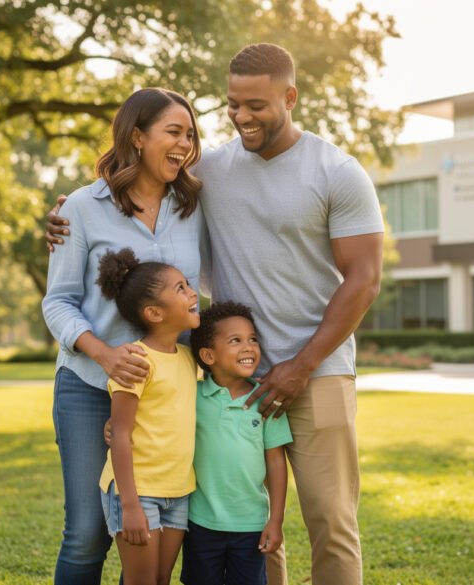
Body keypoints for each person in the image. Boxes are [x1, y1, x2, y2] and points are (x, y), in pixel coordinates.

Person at [47, 43, 383, 585]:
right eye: (233, 105)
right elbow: (131, 189)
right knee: (238, 527)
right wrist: (66, 211)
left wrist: (299, 366)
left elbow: (364, 279)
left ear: (290, 97)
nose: (241, 117)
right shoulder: (210, 173)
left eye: (257, 105)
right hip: (215, 381)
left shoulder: (332, 173)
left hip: (312, 373)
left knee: (331, 523)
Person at [42, 87, 206, 585]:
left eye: (191, 134)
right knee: (88, 531)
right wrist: (104, 354)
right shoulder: (81, 207)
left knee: (158, 529)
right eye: (173, 132)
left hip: (165, 395)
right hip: (89, 386)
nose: (185, 144)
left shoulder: (194, 205)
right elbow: (58, 300)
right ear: (137, 136)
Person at [95, 248, 200, 585]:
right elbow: (121, 435)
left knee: (160, 580)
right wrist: (129, 505)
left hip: (179, 490)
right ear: (154, 312)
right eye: (181, 289)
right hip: (137, 492)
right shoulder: (136, 361)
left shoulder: (189, 358)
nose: (193, 293)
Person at [183, 301, 292, 585]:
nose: (249, 347)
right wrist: (114, 425)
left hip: (251, 525)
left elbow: (276, 461)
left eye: (253, 339)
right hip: (200, 523)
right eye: (235, 341)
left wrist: (275, 519)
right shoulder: (191, 397)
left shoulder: (267, 399)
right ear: (208, 355)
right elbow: (158, 419)